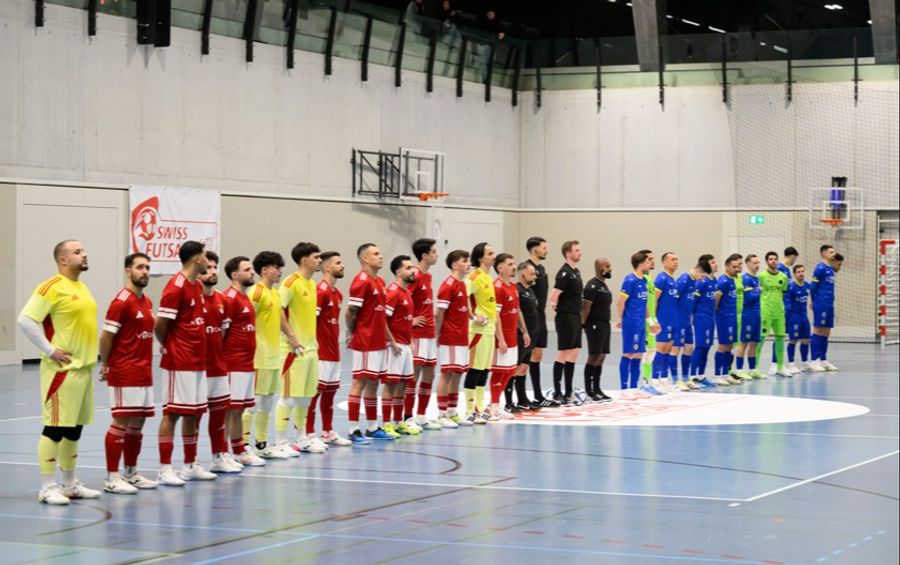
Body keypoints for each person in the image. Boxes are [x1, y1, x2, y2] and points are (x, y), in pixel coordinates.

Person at [18, 240, 101, 504]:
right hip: (62, 371)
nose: (84, 254)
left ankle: (69, 483)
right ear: (63, 260)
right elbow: (25, 319)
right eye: (77, 252)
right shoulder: (51, 287)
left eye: (84, 250)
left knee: (73, 429)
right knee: (54, 428)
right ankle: (46, 486)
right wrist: (50, 350)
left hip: (84, 369)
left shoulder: (81, 287)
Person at [154, 241, 216, 485]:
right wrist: (168, 344)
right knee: (173, 413)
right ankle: (165, 469)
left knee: (194, 413)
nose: (206, 260)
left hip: (198, 360)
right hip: (179, 361)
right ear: (196, 259)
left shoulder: (196, 286)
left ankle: (190, 464)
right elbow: (161, 324)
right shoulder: (176, 287)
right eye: (203, 256)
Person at [99, 253, 158, 494]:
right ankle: (112, 477)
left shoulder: (146, 301)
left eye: (147, 267)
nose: (144, 271)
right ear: (127, 271)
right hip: (125, 370)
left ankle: (131, 473)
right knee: (121, 422)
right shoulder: (121, 302)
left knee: (138, 423)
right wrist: (107, 364)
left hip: (144, 371)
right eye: (139, 267)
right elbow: (106, 337)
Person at [246, 250, 299, 459]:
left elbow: (281, 320)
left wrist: (293, 338)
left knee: (267, 402)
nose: (280, 271)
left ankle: (261, 445)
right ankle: (242, 446)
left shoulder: (275, 293)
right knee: (255, 402)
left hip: (274, 356)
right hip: (259, 356)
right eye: (276, 267)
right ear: (265, 270)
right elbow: (245, 321)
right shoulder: (256, 293)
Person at [278, 242, 326, 454]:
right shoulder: (290, 282)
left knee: (306, 397)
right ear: (304, 259)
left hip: (311, 350)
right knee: (288, 397)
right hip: (293, 350)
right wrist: (292, 338)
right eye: (316, 257)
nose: (319, 261)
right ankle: (279, 442)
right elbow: (278, 311)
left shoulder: (312, 284)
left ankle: (302, 438)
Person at [347, 243, 397, 442]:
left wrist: (388, 339)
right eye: (376, 254)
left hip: (378, 342)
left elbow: (381, 316)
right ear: (365, 259)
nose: (381, 256)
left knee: (373, 383)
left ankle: (372, 427)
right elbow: (351, 312)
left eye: (380, 252)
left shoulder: (380, 281)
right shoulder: (361, 281)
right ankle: (352, 429)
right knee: (360, 381)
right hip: (365, 341)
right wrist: (352, 333)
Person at [221, 256, 266, 466]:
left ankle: (238, 449)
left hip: (247, 363)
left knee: (239, 409)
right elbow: (222, 332)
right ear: (234, 275)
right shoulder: (228, 298)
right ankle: (222, 452)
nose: (252, 273)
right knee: (229, 409)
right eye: (247, 270)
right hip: (233, 363)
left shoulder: (245, 297)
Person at [200, 251, 242, 473]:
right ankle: (190, 462)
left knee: (220, 414)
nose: (213, 271)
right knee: (193, 416)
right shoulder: (190, 297)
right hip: (195, 368)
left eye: (215, 267)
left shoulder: (222, 301)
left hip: (218, 366)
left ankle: (219, 456)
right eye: (208, 267)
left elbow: (222, 335)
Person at [305, 251, 352, 446]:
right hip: (321, 352)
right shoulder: (320, 291)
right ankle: (308, 434)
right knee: (315, 393)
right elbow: (311, 322)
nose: (342, 266)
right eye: (338, 263)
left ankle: (327, 431)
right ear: (326, 267)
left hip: (334, 351)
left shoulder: (337, 294)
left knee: (331, 392)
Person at [382, 255, 421, 437]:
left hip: (406, 346)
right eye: (408, 268)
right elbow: (383, 320)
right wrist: (392, 341)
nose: (413, 270)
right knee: (391, 384)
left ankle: (398, 422)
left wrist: (411, 340)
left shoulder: (407, 293)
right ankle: (386, 424)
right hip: (394, 346)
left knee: (403, 384)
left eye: (412, 267)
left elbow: (405, 321)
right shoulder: (393, 292)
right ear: (398, 272)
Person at [435, 250, 472, 427]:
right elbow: (440, 312)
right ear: (455, 265)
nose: (468, 264)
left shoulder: (462, 284)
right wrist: (438, 334)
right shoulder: (447, 285)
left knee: (457, 374)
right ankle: (442, 414)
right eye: (465, 261)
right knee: (447, 373)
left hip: (462, 336)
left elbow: (464, 309)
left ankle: (452, 411)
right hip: (450, 337)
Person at [488, 253, 528, 419]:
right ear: (500, 268)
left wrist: (524, 331)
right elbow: (495, 315)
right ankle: (494, 406)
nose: (513, 267)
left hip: (513, 336)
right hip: (501, 338)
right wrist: (501, 339)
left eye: (514, 264)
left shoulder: (513, 287)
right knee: (498, 371)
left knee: (510, 370)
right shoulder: (497, 287)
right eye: (510, 264)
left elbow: (517, 310)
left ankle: (496, 404)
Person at [407, 238, 441, 431]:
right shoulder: (414, 275)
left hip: (429, 333)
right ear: (424, 255)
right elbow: (404, 297)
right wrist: (410, 321)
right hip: (417, 334)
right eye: (434, 252)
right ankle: (408, 416)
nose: (437, 255)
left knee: (429, 373)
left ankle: (421, 415)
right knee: (414, 375)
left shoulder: (427, 277)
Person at [463, 242, 497, 424]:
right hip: (478, 332)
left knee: (485, 371)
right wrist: (475, 316)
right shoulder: (475, 277)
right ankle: (470, 410)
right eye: (490, 253)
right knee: (474, 370)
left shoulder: (488, 277)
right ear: (480, 257)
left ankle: (480, 407)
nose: (493, 256)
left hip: (490, 330)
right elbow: (464, 296)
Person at [617, 251, 656, 400]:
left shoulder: (644, 281)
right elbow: (620, 302)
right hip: (631, 323)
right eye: (648, 262)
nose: (650, 265)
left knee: (639, 354)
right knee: (628, 353)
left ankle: (634, 387)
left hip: (641, 323)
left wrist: (651, 323)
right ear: (641, 264)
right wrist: (622, 319)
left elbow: (644, 304)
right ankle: (624, 389)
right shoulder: (630, 280)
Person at [550, 241, 584, 404]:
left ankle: (569, 389)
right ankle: (557, 391)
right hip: (566, 317)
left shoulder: (575, 271)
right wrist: (561, 312)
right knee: (564, 352)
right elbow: (553, 297)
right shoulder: (564, 273)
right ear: (568, 253)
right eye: (577, 250)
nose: (580, 253)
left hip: (576, 316)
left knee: (575, 351)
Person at [525, 237, 556, 407]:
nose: (546, 250)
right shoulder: (527, 268)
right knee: (525, 357)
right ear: (535, 249)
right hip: (530, 316)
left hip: (541, 315)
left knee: (538, 355)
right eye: (543, 248)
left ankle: (537, 394)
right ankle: (520, 395)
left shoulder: (542, 269)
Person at [508, 261, 541, 411]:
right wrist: (522, 331)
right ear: (522, 274)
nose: (535, 276)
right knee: (514, 368)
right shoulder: (517, 290)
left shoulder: (531, 291)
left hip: (532, 336)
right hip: (520, 336)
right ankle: (509, 402)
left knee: (523, 368)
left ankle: (522, 399)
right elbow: (516, 313)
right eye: (532, 273)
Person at [581, 258, 613, 402]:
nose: (610, 268)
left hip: (605, 324)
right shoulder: (592, 286)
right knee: (593, 355)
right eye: (607, 266)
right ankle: (589, 390)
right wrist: (584, 325)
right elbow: (585, 308)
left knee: (601, 355)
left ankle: (597, 388)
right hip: (594, 324)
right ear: (600, 268)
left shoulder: (604, 286)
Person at [759, 251, 792, 377]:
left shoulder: (783, 277)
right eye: (770, 259)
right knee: (761, 339)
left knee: (780, 338)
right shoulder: (761, 276)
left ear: (778, 261)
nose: (773, 261)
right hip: (765, 312)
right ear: (767, 261)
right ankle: (755, 368)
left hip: (779, 312)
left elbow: (783, 293)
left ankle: (780, 366)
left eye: (775, 259)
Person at [714, 254, 743, 386]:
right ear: (727, 266)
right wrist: (717, 311)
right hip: (724, 317)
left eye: (738, 267)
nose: (736, 269)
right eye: (733, 267)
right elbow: (717, 298)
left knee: (730, 345)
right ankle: (717, 375)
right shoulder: (723, 280)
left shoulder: (732, 279)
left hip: (732, 317)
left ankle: (726, 373)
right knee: (723, 345)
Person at [809, 245, 839, 372]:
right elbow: (813, 286)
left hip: (829, 304)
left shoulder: (830, 269)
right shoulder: (820, 268)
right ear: (824, 254)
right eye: (831, 252)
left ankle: (823, 360)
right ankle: (814, 361)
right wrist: (813, 301)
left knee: (827, 331)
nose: (834, 254)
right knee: (818, 330)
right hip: (821, 303)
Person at [734, 254, 764, 379]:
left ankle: (752, 369)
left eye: (758, 262)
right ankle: (739, 370)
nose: (757, 265)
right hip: (748, 315)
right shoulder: (746, 279)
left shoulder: (756, 279)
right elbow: (750, 298)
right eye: (754, 263)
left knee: (755, 343)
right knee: (744, 343)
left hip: (757, 314)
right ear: (748, 264)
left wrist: (757, 289)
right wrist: (760, 290)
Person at [652, 252, 679, 390]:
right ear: (664, 262)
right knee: (660, 349)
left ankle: (664, 378)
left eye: (676, 259)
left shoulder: (673, 280)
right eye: (672, 259)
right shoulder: (661, 278)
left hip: (673, 320)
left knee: (668, 349)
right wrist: (654, 319)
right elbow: (655, 299)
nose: (676, 261)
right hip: (663, 319)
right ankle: (655, 379)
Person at [690, 255, 718, 388]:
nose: (715, 264)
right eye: (712, 262)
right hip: (701, 318)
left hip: (710, 318)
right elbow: (693, 301)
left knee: (707, 347)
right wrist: (691, 316)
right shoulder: (702, 282)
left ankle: (701, 375)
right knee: (700, 346)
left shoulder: (714, 281)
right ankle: (693, 375)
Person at [769, 246, 798, 372]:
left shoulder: (787, 270)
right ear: (792, 256)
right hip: (780, 308)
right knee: (779, 335)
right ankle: (774, 364)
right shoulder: (780, 268)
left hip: (787, 307)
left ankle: (779, 363)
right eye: (795, 258)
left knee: (782, 336)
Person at [638, 250, 663, 396]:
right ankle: (645, 383)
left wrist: (655, 320)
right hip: (644, 322)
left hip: (651, 319)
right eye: (650, 259)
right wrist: (650, 321)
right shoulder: (641, 280)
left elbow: (651, 303)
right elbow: (642, 304)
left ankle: (648, 382)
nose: (653, 262)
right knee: (646, 352)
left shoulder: (649, 278)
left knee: (652, 351)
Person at [674, 262, 701, 390]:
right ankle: (675, 380)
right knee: (676, 348)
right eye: (703, 276)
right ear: (697, 271)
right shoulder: (684, 280)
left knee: (689, 347)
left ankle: (686, 378)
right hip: (678, 320)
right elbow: (674, 299)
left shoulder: (694, 282)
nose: (703, 279)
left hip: (687, 321)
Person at [786, 264, 811, 374]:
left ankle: (805, 363)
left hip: (804, 317)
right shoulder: (790, 287)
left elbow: (814, 294)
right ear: (794, 274)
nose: (801, 273)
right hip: (794, 318)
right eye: (799, 272)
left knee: (806, 340)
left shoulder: (807, 286)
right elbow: (786, 303)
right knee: (793, 340)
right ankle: (791, 364)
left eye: (802, 271)